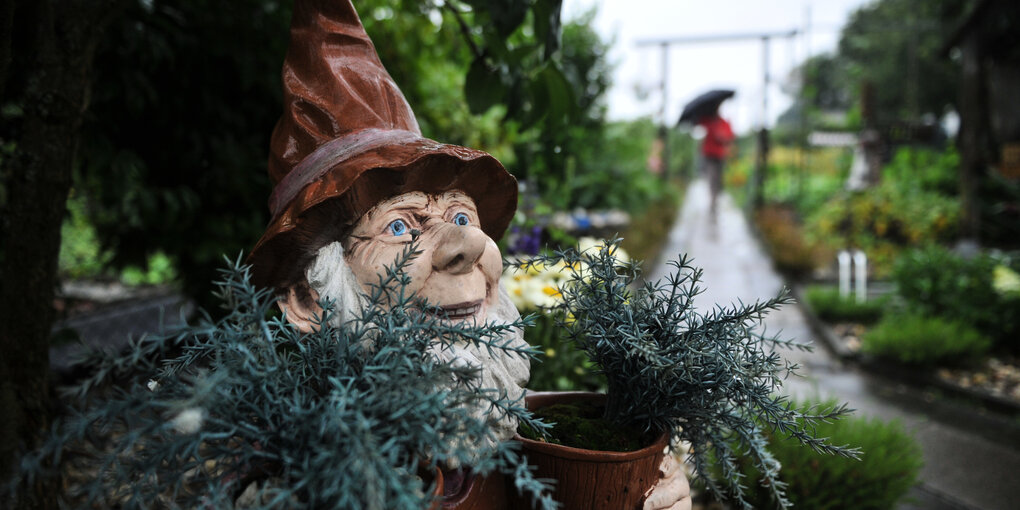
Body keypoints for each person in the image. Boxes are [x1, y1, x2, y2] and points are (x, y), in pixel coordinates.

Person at [247, 1, 690, 508]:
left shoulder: (544, 443)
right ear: (308, 298)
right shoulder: (290, 481)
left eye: (462, 217)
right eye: (400, 227)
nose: (469, 245)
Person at [698, 110, 734, 216]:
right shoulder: (708, 121)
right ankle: (713, 199)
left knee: (718, 178)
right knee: (712, 177)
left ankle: (715, 197)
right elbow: (701, 126)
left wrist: (721, 136)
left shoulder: (724, 123)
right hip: (709, 155)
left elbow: (729, 137)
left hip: (719, 155)